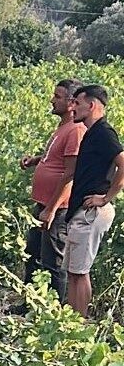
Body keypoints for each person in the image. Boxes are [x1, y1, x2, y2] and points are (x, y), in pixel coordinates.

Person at [16, 79, 84, 306]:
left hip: (57, 208)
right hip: (44, 205)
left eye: (58, 96)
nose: (52, 100)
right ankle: (29, 304)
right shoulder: (63, 128)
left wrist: (52, 209)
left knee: (53, 262)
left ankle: (52, 311)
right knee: (32, 255)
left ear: (72, 103)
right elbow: (56, 161)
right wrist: (37, 160)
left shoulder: (75, 130)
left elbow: (70, 174)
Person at [64, 85, 124, 317]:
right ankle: (68, 322)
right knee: (72, 271)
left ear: (91, 105)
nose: (74, 108)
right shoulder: (91, 132)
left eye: (77, 103)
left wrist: (106, 197)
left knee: (80, 271)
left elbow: (122, 162)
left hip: (91, 212)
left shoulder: (104, 133)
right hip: (81, 210)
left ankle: (80, 325)